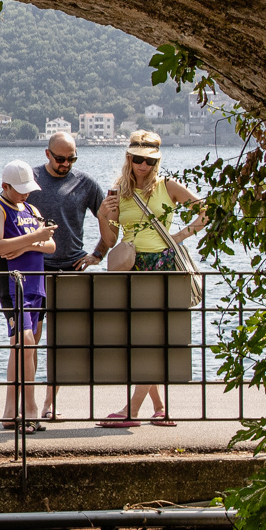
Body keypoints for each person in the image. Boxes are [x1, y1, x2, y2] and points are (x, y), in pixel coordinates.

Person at [97, 130, 208, 429]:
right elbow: (110, 239)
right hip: (132, 267)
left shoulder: (167, 186)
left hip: (162, 265)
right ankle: (159, 408)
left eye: (149, 160)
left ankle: (131, 411)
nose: (143, 165)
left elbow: (206, 211)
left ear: (157, 161)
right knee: (140, 339)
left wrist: (179, 236)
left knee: (153, 340)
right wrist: (103, 216)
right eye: (138, 159)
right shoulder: (119, 191)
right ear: (129, 158)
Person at [29, 132, 117, 419]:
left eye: (71, 159)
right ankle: (28, 403)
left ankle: (49, 403)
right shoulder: (31, 179)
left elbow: (109, 221)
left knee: (63, 342)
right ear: (47, 154)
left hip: (72, 267)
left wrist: (98, 254)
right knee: (31, 337)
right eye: (60, 158)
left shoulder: (86, 183)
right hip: (36, 268)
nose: (66, 164)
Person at [0, 161, 57, 432]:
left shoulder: (31, 209)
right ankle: (30, 410)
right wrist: (34, 239)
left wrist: (29, 243)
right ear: (5, 186)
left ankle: (9, 411)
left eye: (28, 189)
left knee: (25, 347)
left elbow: (50, 245)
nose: (25, 194)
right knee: (25, 344)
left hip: (36, 285)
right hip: (14, 286)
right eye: (20, 189)